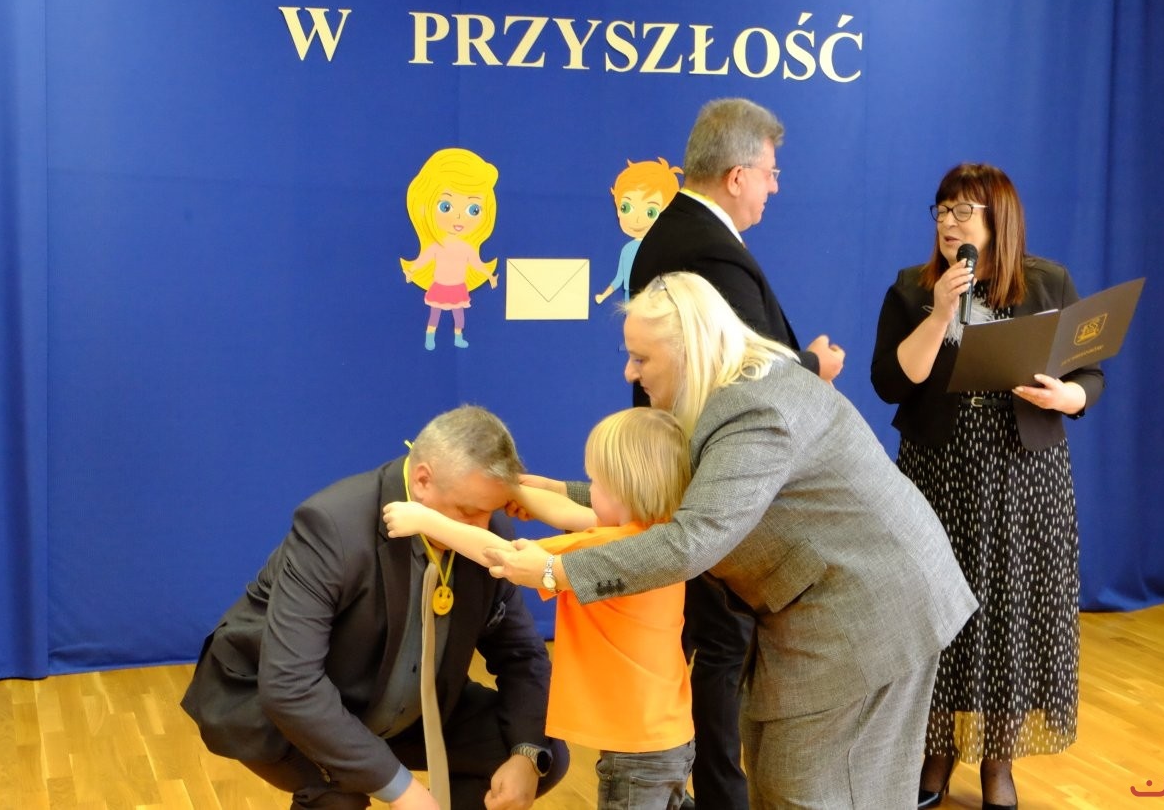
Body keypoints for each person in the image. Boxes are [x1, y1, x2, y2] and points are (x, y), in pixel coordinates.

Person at [488, 272, 977, 808]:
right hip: (819, 605)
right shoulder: (727, 391)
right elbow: (664, 499)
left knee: (812, 793)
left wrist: (555, 572)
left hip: (867, 612)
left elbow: (691, 539)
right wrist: (552, 491)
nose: (630, 371)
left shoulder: (753, 409)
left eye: (641, 358)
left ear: (689, 349)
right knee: (780, 778)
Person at [180, 406, 569, 810]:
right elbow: (290, 686)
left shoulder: (486, 531)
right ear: (422, 481)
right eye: (468, 512)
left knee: (541, 753)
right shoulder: (333, 526)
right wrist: (403, 791)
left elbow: (522, 655)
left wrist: (526, 755)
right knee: (339, 795)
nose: (482, 529)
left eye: (492, 511)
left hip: (403, 704)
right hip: (282, 705)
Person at [624, 96, 842, 809]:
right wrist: (812, 367)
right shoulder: (706, 246)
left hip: (696, 465)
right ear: (738, 174)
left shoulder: (681, 231)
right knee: (722, 642)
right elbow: (744, 374)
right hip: (713, 472)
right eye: (771, 172)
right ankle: (722, 794)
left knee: (711, 638)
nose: (775, 186)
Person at [870, 163, 1104, 810]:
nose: (949, 223)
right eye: (942, 210)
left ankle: (999, 760)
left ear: (999, 219)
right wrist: (942, 310)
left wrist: (1069, 395)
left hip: (1024, 474)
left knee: (1009, 614)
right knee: (934, 612)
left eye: (963, 211)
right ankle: (935, 752)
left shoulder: (1048, 282)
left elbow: (1090, 373)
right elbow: (891, 382)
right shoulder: (912, 288)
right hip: (938, 469)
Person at [385, 407, 696, 810]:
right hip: (669, 738)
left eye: (595, 482)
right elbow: (572, 513)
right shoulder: (656, 538)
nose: (589, 490)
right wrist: (511, 489)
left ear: (623, 490)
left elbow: (503, 555)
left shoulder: (605, 548)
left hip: (636, 752)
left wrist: (426, 520)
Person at [401, 148, 501, 350]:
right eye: (445, 206)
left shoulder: (466, 248)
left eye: (473, 210)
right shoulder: (437, 246)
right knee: (435, 314)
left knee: (459, 316)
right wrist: (411, 271)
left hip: (458, 288)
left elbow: (476, 264)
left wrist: (489, 276)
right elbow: (423, 260)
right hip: (440, 286)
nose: (459, 218)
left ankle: (458, 338)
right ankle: (430, 338)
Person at [594, 158, 683, 305]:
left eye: (651, 212)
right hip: (631, 300)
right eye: (626, 208)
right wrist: (603, 296)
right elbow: (619, 279)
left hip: (657, 301)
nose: (637, 220)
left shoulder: (664, 249)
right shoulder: (628, 250)